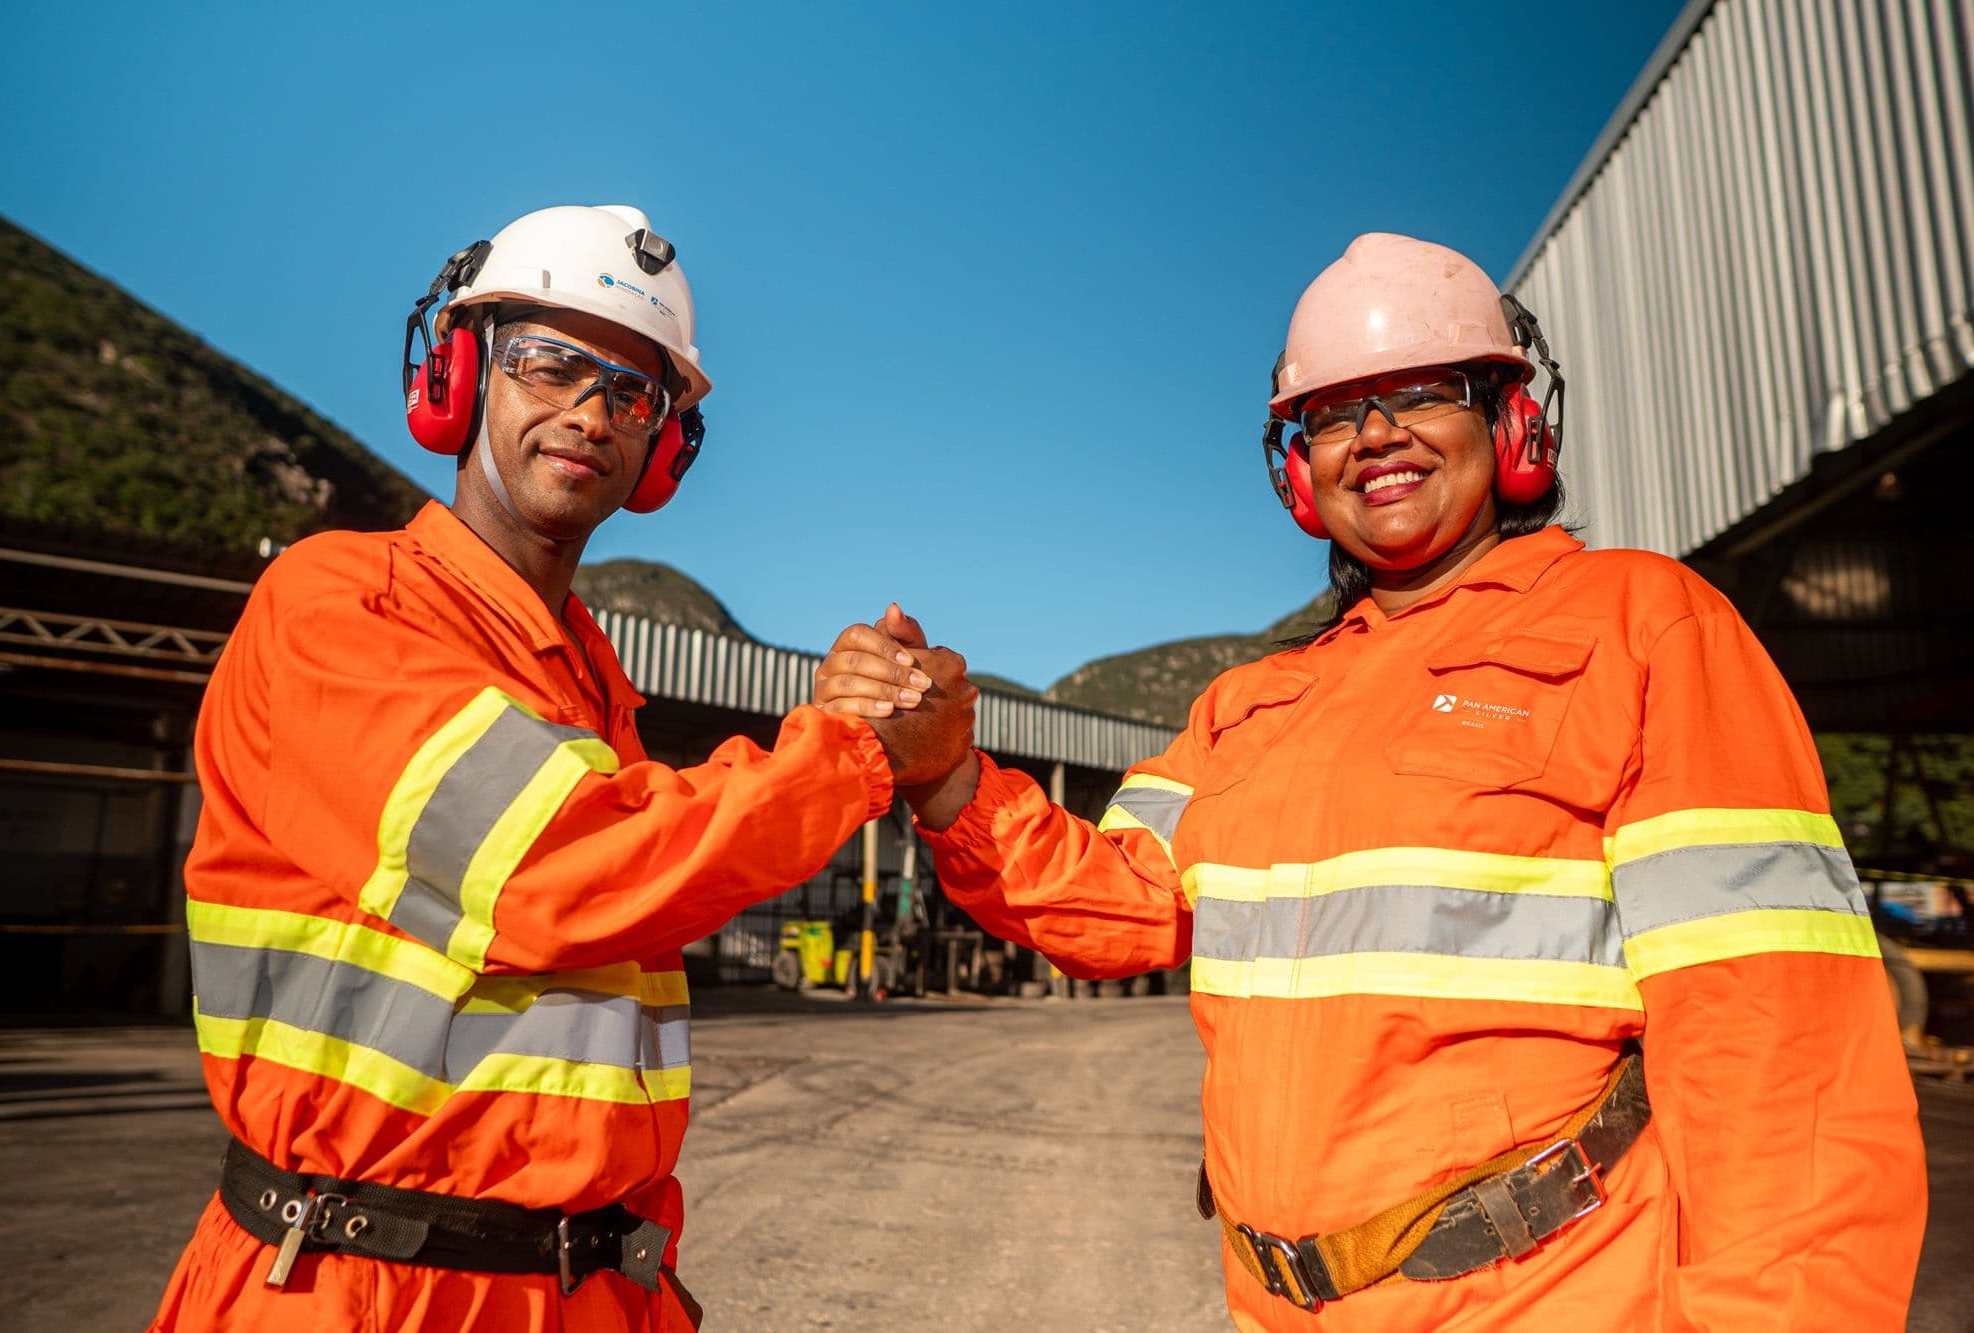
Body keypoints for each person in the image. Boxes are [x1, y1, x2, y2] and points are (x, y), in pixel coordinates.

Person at [818, 234, 1928, 1329]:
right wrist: (946, 774)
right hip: (1277, 1305)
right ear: (1298, 471)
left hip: (1546, 1298)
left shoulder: (1643, 627)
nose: (1376, 434)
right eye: (1335, 413)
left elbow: (1777, 1045)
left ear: (1512, 423)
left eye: (1423, 393)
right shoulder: (1250, 704)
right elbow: (1118, 904)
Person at [150, 204, 937, 1331]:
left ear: (663, 447)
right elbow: (557, 868)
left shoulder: (589, 678)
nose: (590, 413)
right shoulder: (340, 608)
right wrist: (852, 749)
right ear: (460, 375)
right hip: (356, 1284)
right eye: (548, 363)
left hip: (579, 1284)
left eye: (632, 394)